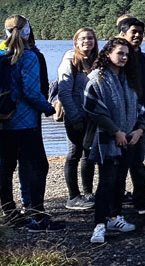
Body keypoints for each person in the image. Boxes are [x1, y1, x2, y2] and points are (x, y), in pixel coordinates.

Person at [0, 15, 62, 231]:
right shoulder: (28, 57)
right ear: (28, 31)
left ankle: (10, 214)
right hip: (24, 123)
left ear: (6, 32)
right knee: (40, 166)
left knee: (6, 168)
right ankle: (38, 218)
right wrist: (49, 108)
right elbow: (31, 92)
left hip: (0, 120)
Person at [85, 38, 145, 243]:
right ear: (108, 53)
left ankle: (114, 216)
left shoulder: (130, 78)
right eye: (120, 53)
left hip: (130, 138)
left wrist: (139, 130)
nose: (124, 57)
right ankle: (99, 225)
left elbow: (140, 108)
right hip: (107, 140)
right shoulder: (97, 77)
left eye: (127, 54)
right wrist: (115, 131)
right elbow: (93, 109)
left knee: (120, 180)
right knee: (106, 182)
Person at [58, 27, 98, 211]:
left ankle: (88, 193)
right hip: (74, 115)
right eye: (83, 38)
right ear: (76, 41)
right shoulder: (70, 60)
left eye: (90, 38)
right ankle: (73, 197)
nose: (87, 41)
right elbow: (64, 91)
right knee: (74, 154)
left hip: (91, 117)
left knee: (88, 154)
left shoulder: (96, 61)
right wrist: (74, 116)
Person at [117, 17, 145, 215]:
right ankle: (117, 201)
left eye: (140, 32)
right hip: (120, 119)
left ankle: (140, 200)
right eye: (133, 32)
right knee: (118, 162)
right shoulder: (116, 58)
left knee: (138, 162)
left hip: (140, 117)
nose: (137, 35)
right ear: (123, 34)